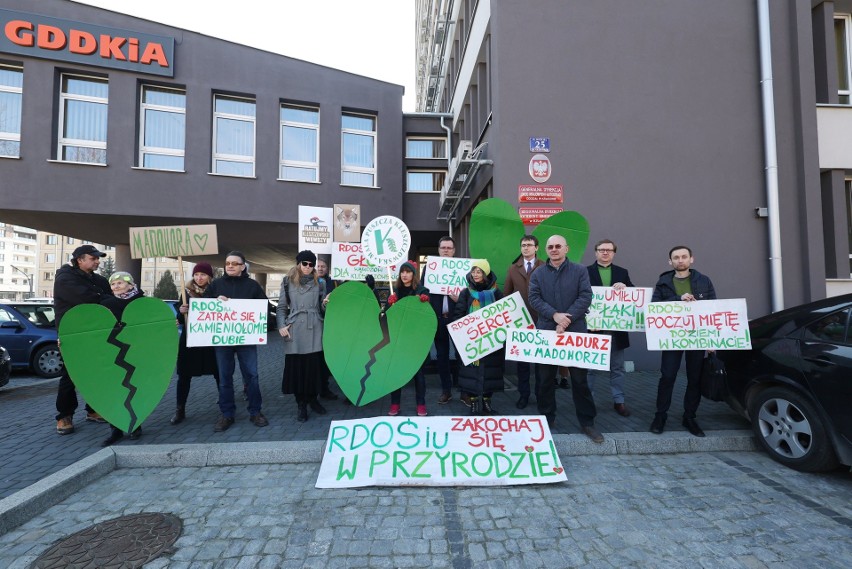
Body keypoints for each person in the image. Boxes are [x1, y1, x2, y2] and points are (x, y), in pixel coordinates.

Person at [529, 235, 603, 443]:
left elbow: (585, 296)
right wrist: (554, 316)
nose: (554, 249)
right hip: (546, 332)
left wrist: (565, 319)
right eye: (550, 246)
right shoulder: (539, 273)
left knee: (580, 379)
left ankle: (588, 423)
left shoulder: (580, 271)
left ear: (566, 248)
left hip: (575, 332)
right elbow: (534, 297)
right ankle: (546, 420)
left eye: (558, 246)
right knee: (544, 379)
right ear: (546, 249)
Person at [650, 245, 717, 437]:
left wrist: (711, 340)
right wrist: (678, 298)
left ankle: (690, 417)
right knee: (667, 377)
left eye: (684, 257)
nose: (680, 260)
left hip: (696, 338)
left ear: (691, 259)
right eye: (676, 257)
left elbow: (713, 309)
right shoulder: (663, 282)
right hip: (672, 338)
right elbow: (655, 307)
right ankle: (660, 416)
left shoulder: (704, 281)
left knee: (694, 379)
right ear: (670, 262)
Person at [205, 251, 269, 432]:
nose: (230, 266)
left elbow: (263, 308)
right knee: (225, 378)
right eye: (227, 263)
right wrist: (214, 302)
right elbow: (203, 306)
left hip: (246, 339)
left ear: (243, 266)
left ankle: (255, 412)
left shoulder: (253, 286)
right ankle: (227, 414)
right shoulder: (215, 285)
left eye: (234, 263)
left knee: (252, 376)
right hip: (223, 340)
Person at [53, 244, 112, 435]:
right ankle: (64, 415)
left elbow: (109, 300)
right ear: (79, 260)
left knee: (97, 371)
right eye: (93, 258)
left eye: (98, 258)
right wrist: (101, 297)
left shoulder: (100, 280)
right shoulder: (65, 277)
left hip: (96, 332)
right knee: (71, 374)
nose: (97, 261)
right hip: (73, 334)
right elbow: (86, 297)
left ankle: (93, 410)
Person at [586, 239, 634, 417]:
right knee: (590, 368)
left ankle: (619, 401)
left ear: (614, 253)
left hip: (616, 330)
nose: (605, 253)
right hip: (593, 328)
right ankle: (588, 400)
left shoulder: (622, 272)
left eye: (609, 250)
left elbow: (635, 296)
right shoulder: (585, 271)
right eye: (601, 250)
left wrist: (626, 288)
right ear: (596, 252)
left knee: (617, 368)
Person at [278, 250, 327, 422]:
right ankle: (301, 404)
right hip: (295, 328)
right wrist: (281, 325)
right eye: (304, 263)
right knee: (297, 368)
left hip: (314, 327)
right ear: (298, 263)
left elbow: (322, 308)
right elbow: (281, 307)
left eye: (311, 264)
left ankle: (313, 399)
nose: (308, 267)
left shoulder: (320, 283)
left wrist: (325, 304)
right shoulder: (287, 282)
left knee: (313, 367)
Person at [100, 271, 147, 446]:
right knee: (114, 390)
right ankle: (115, 428)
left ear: (130, 284)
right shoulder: (105, 304)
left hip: (136, 351)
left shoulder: (141, 302)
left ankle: (135, 425)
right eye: (113, 284)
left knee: (134, 388)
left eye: (120, 283)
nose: (116, 287)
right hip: (113, 351)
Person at [454, 259, 504, 415]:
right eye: (473, 271)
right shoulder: (466, 292)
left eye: (479, 271)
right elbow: (459, 315)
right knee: (471, 373)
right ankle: (474, 402)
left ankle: (487, 402)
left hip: (491, 340)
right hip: (472, 341)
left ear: (486, 273)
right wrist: (468, 331)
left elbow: (503, 314)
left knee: (491, 372)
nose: (475, 274)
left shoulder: (496, 292)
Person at [171, 262, 219, 425]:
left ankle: (225, 407)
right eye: (197, 274)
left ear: (209, 277)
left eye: (203, 274)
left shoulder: (216, 292)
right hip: (190, 340)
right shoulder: (186, 293)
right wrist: (181, 312)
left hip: (211, 340)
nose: (199, 277)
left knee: (219, 374)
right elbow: (179, 319)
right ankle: (180, 409)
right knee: (184, 376)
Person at [503, 234, 544, 409]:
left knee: (543, 363)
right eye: (523, 245)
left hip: (543, 320)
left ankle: (542, 396)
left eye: (529, 245)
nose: (526, 248)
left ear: (536, 248)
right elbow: (507, 294)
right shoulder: (513, 268)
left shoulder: (545, 266)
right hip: (520, 322)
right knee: (523, 363)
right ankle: (524, 395)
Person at [385, 260, 431, 417]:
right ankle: (395, 404)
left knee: (418, 374)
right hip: (398, 339)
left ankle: (421, 404)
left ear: (413, 274)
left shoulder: (422, 290)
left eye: (408, 271)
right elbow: (386, 316)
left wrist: (424, 302)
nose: (404, 275)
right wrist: (389, 305)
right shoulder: (395, 291)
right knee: (396, 372)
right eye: (402, 272)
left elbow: (427, 316)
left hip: (416, 340)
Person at [427, 236, 459, 405]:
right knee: (441, 356)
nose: (446, 250)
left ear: (454, 251)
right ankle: (446, 390)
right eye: (443, 248)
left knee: (462, 355)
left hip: (457, 318)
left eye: (449, 248)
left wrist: (459, 299)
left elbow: (470, 294)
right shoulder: (430, 269)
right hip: (438, 320)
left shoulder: (463, 270)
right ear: (439, 250)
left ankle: (462, 389)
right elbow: (424, 291)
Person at [315, 256, 339, 401]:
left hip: (329, 325)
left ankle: (324, 388)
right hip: (313, 325)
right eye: (318, 266)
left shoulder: (335, 283)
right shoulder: (308, 282)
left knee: (325, 359)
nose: (320, 268)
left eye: (323, 266)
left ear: (328, 268)